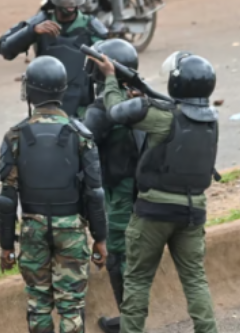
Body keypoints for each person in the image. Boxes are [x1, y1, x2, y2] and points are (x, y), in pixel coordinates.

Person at [89, 51, 219, 333]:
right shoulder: (211, 120)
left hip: (153, 212)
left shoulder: (163, 116)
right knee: (195, 281)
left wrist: (111, 79)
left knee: (137, 282)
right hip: (193, 212)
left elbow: (114, 111)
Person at [0, 55, 108, 333]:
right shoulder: (80, 135)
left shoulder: (15, 137)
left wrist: (7, 245)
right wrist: (100, 239)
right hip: (70, 230)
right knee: (71, 306)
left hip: (33, 229)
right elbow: (94, 193)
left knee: (38, 303)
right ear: (61, 90)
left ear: (30, 91)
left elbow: (7, 199)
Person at [82, 39, 145, 333]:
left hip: (119, 193)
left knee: (118, 256)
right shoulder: (139, 98)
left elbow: (83, 144)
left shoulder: (104, 109)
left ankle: (130, 323)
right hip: (138, 189)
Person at [0, 0, 107, 119]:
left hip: (82, 110)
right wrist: (31, 31)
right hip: (47, 111)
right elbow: (5, 49)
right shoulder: (40, 22)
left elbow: (113, 64)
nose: (70, 0)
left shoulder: (90, 26)